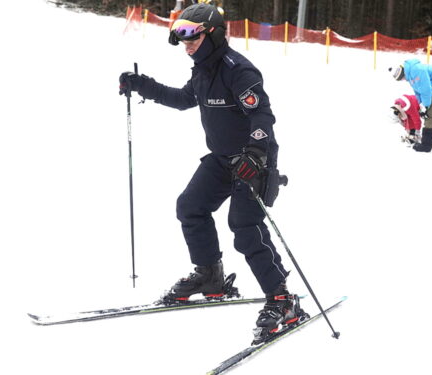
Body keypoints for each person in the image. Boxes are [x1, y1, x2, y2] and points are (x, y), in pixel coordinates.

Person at [118, 3, 306, 344]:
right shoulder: (202, 71)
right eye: (180, 36)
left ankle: (282, 299)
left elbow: (262, 117)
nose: (186, 43)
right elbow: (182, 99)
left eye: (192, 36)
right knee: (190, 206)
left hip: (253, 162)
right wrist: (141, 85)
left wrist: (256, 152)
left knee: (244, 226)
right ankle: (210, 276)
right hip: (223, 158)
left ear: (213, 34)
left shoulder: (239, 71)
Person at [388, 59, 432, 152]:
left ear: (402, 73)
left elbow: (426, 90)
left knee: (430, 116)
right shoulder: (410, 75)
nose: (403, 80)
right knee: (427, 114)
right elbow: (418, 93)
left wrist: (425, 106)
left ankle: (426, 146)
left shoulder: (416, 71)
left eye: (401, 78)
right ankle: (425, 142)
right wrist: (420, 106)